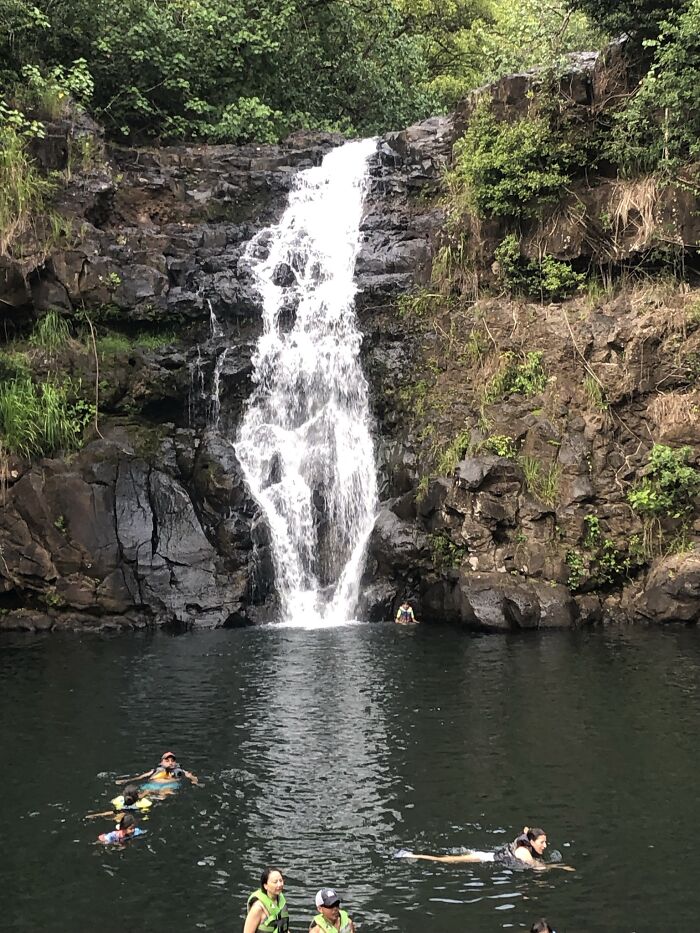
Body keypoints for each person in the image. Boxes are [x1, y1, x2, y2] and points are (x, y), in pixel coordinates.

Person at [398, 826, 574, 871]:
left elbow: (526, 831)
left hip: (487, 855)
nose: (545, 845)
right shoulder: (523, 852)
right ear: (532, 842)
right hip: (484, 858)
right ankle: (412, 855)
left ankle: (415, 854)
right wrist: (560, 867)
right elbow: (539, 869)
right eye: (542, 842)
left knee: (450, 858)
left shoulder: (526, 842)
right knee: (446, 860)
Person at [244, 867, 289, 933]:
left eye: (281, 880)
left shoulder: (280, 900)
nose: (279, 885)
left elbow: (283, 927)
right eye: (275, 882)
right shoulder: (257, 908)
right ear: (265, 886)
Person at [115, 751, 198, 787]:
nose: (170, 762)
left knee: (164, 794)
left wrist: (194, 780)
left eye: (172, 761)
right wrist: (126, 781)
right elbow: (140, 777)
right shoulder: (155, 771)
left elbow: (192, 777)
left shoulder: (180, 771)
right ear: (161, 762)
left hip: (170, 786)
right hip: (153, 785)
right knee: (144, 793)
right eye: (167, 760)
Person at [86, 783, 153, 820]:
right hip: (127, 818)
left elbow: (112, 803)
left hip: (120, 814)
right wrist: (147, 793)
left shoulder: (119, 799)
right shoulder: (143, 803)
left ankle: (94, 815)